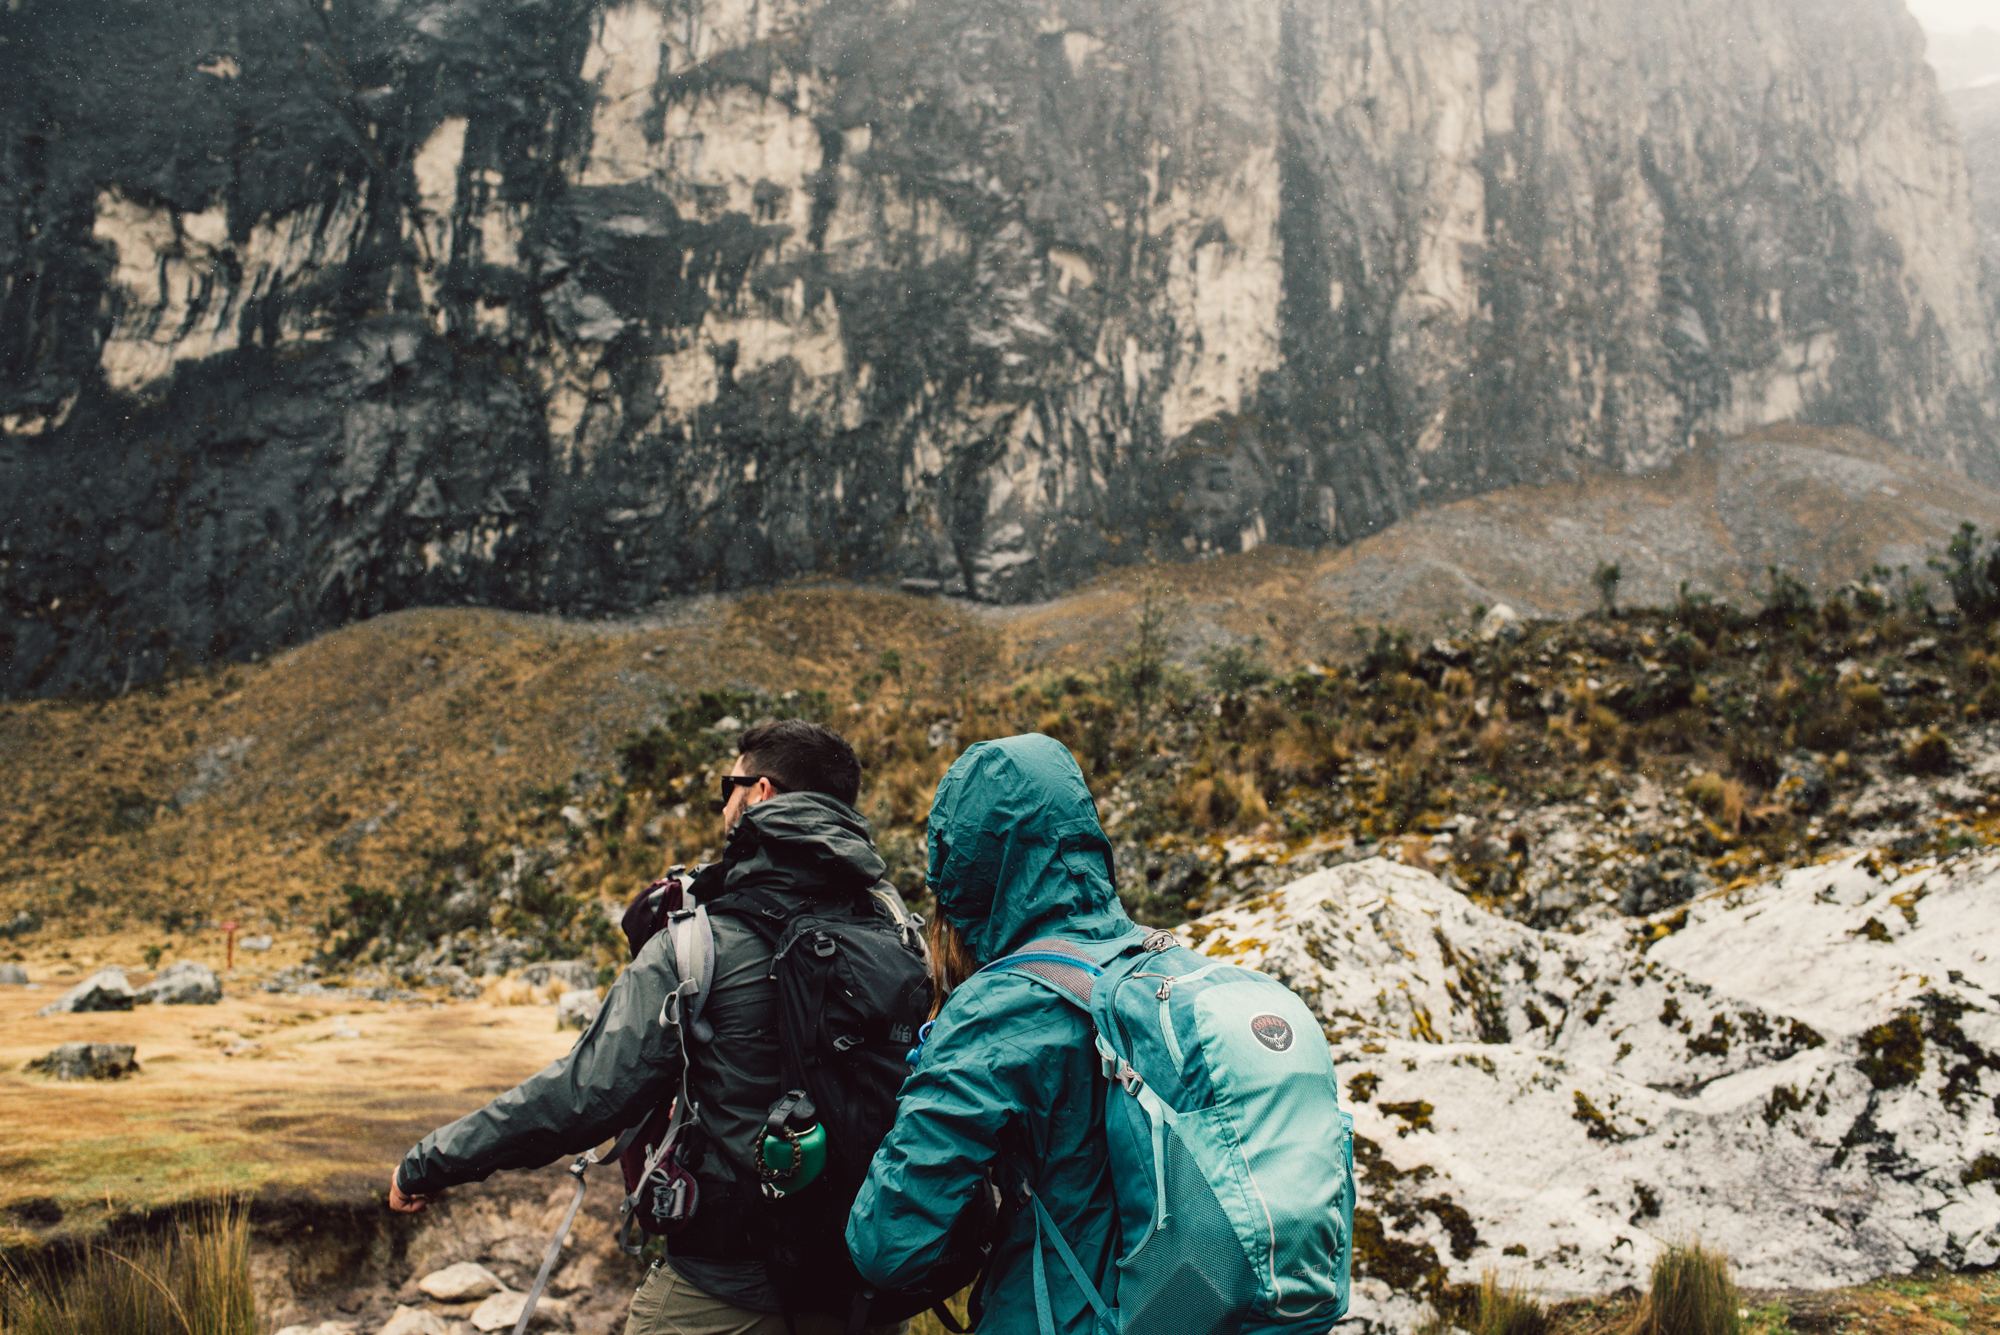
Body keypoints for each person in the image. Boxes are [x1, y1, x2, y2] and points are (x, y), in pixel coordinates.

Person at [387, 719, 910, 1335]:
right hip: (862, 1292)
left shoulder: (699, 945)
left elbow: (583, 1095)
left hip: (724, 1293)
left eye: (729, 787)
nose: (724, 803)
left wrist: (432, 1161)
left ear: (761, 794)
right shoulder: (896, 933)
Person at [847, 733, 1142, 1335]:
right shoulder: (1153, 969)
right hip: (1180, 1305)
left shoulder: (994, 1012)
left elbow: (886, 1246)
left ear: (963, 864)